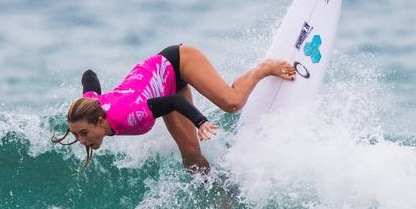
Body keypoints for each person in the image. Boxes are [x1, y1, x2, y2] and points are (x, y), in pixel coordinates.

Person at [52, 44, 295, 172]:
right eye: (76, 134)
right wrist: (86, 99)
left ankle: (263, 68)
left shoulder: (128, 115)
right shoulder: (92, 106)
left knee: (231, 103)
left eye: (83, 133)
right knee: (191, 158)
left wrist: (200, 122)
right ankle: (222, 192)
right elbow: (89, 74)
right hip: (165, 86)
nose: (80, 140)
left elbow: (173, 103)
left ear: (101, 122)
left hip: (178, 62)